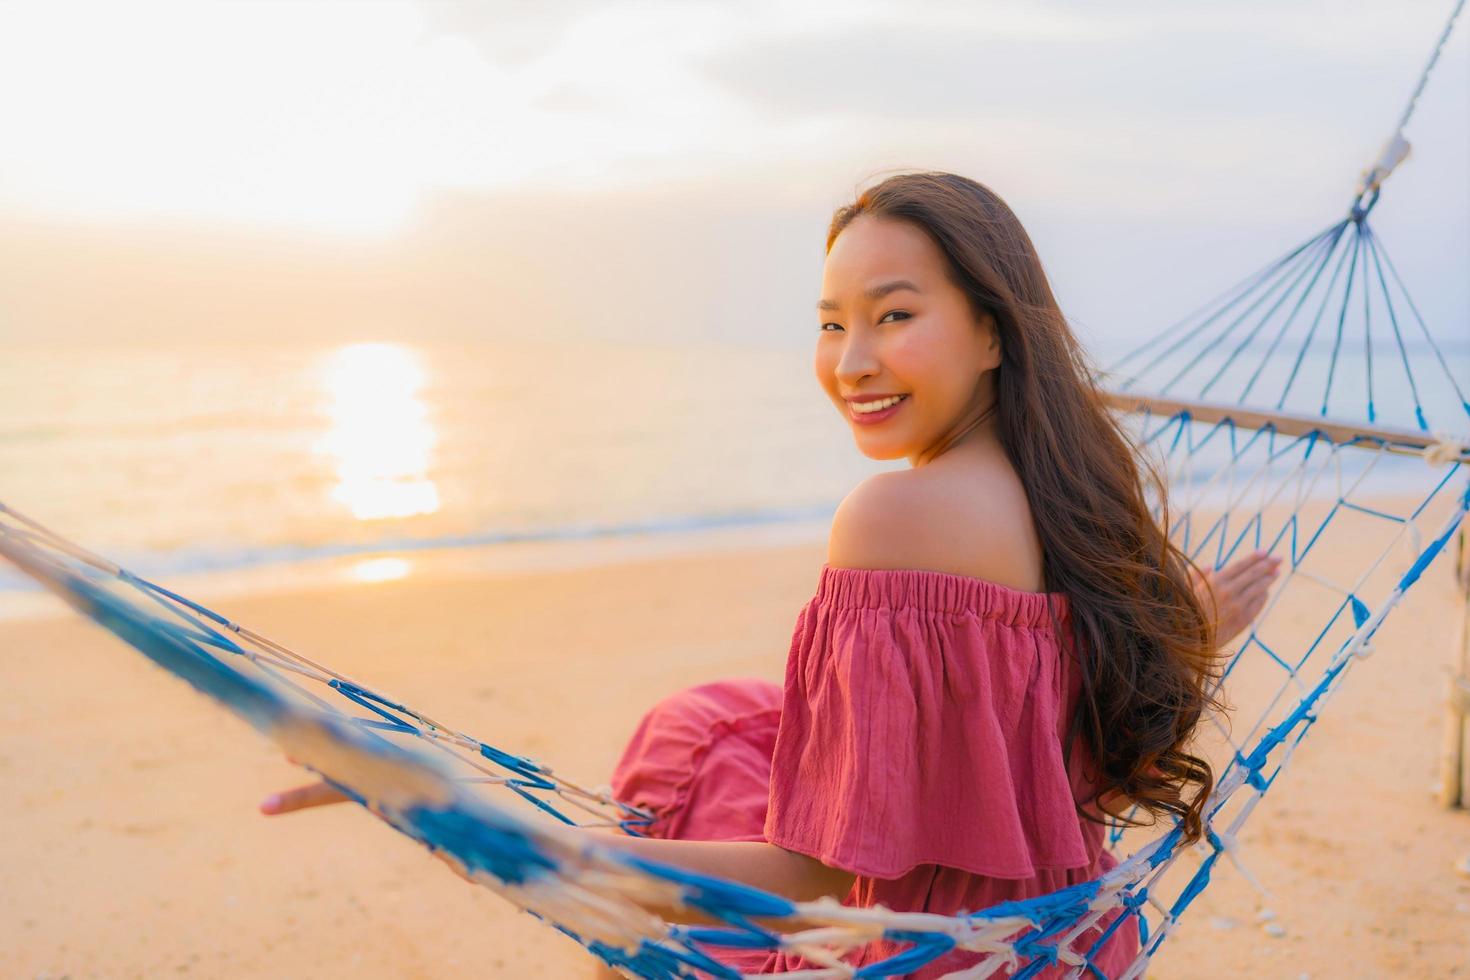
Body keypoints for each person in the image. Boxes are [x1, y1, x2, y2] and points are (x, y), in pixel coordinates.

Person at [260, 171, 1282, 978]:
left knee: (687, 744)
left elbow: (816, 878)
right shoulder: (1077, 505)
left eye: (893, 315)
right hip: (1061, 943)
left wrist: (486, 826)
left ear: (991, 331)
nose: (850, 361)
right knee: (727, 717)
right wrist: (1190, 623)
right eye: (831, 321)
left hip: (920, 955)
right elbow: (1051, 737)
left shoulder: (898, 516)